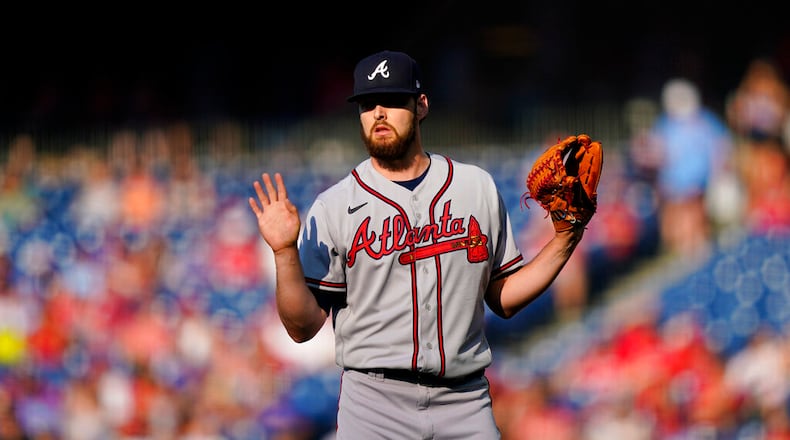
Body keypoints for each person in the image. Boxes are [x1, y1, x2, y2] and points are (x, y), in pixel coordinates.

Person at [248, 50, 587, 439]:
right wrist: (284, 252)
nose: (378, 112)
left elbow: (503, 297)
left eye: (392, 101)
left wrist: (566, 240)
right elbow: (302, 328)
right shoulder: (334, 206)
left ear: (421, 105)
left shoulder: (475, 188)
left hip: (464, 400)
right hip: (373, 405)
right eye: (367, 104)